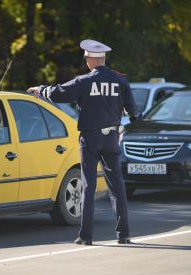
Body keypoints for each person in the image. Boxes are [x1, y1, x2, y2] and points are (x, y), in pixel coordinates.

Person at [27, 39, 138, 245]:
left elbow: (59, 92)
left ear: (91, 60)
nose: (86, 62)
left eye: (86, 58)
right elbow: (133, 112)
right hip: (112, 137)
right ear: (103, 59)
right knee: (117, 186)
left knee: (88, 185)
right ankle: (124, 234)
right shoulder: (121, 81)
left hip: (90, 138)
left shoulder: (84, 81)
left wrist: (41, 90)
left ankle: (86, 237)